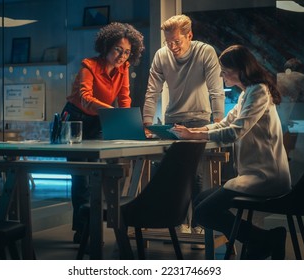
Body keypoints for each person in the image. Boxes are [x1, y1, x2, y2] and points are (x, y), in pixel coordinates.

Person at [171, 45, 291, 259]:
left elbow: (236, 131)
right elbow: (224, 123)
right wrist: (193, 131)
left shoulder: (259, 92)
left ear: (240, 69)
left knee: (203, 211)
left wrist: (195, 136)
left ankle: (263, 240)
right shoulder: (248, 93)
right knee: (201, 203)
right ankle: (260, 240)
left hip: (266, 176)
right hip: (254, 175)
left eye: (225, 69)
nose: (221, 73)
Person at [142, 14, 225, 239]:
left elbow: (216, 89)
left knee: (195, 175)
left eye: (177, 41)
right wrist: (147, 122)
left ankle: (198, 222)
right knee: (175, 174)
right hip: (172, 120)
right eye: (168, 42)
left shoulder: (205, 52)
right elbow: (152, 91)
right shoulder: (162, 55)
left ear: (190, 36)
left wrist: (218, 122)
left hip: (200, 119)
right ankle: (178, 220)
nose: (172, 46)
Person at [60, 22, 145, 243]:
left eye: (127, 52)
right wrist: (114, 112)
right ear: (106, 46)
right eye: (118, 49)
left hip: (100, 118)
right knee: (80, 176)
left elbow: (124, 97)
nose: (122, 56)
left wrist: (126, 120)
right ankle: (82, 230)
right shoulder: (88, 66)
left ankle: (94, 223)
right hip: (76, 119)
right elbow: (85, 98)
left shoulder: (123, 69)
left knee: (98, 171)